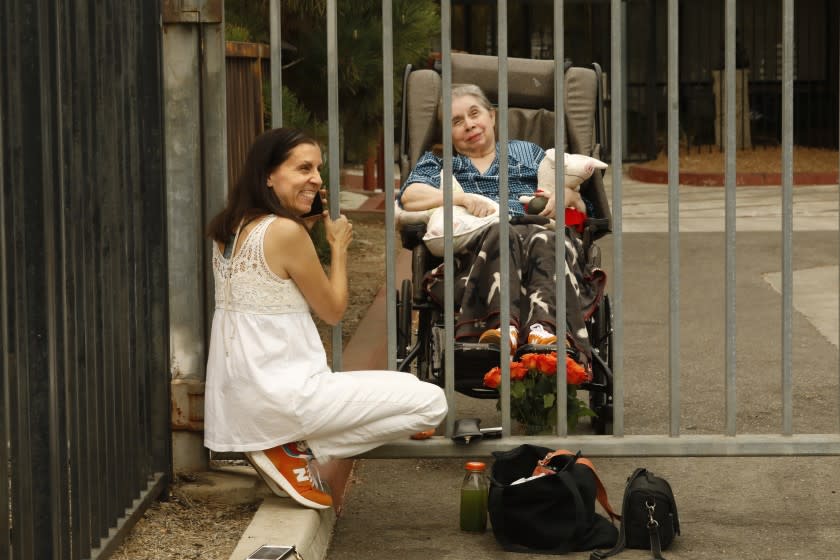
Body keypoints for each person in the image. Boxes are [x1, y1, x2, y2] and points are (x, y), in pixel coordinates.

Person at [204, 127, 448, 510]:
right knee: (430, 402)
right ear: (268, 175)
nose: (316, 179)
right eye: (303, 168)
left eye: (317, 169)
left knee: (400, 386)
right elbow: (333, 310)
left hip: (241, 399)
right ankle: (294, 448)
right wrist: (338, 248)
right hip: (288, 397)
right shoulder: (285, 232)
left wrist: (303, 229)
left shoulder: (230, 229)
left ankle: (286, 445)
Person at [399, 83, 605, 358]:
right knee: (501, 231)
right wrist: (460, 199)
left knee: (543, 236)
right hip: (478, 256)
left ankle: (544, 329)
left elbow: (580, 202)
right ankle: (501, 325)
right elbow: (410, 196)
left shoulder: (527, 153)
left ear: (492, 116)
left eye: (475, 114)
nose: (469, 125)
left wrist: (561, 197)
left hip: (542, 243)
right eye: (457, 121)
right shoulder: (439, 162)